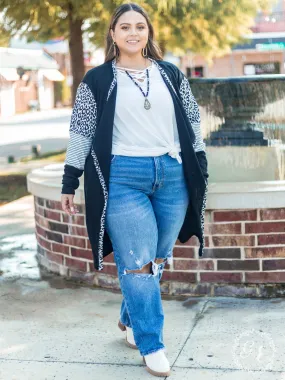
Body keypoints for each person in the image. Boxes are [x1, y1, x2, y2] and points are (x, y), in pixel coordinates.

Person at [61, 2, 209, 377]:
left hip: (172, 174)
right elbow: (80, 132)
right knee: (138, 263)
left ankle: (129, 318)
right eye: (124, 27)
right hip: (123, 177)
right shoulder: (96, 80)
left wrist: (200, 162)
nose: (132, 32)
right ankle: (152, 343)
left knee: (156, 258)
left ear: (148, 34)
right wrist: (69, 180)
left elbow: (192, 119)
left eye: (139, 27)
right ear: (112, 35)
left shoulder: (170, 73)